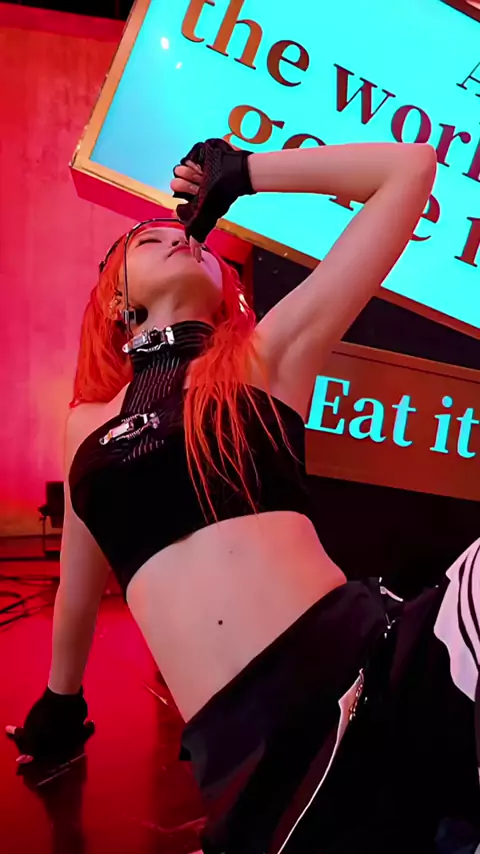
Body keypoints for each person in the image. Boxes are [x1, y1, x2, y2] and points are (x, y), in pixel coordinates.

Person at [5, 139, 479, 853]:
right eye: (148, 240)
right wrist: (60, 706)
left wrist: (247, 174)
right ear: (116, 300)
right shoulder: (85, 423)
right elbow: (79, 585)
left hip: (375, 667)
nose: (177, 238)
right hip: (258, 761)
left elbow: (408, 172)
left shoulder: (266, 356)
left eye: (190, 238)